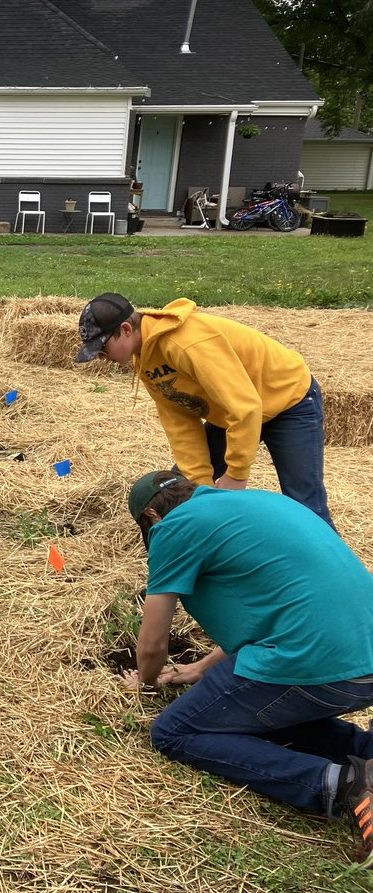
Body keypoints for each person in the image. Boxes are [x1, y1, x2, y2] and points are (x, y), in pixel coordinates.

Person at [121, 470, 373, 847]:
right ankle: (365, 753)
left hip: (318, 666)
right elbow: (276, 608)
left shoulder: (173, 527)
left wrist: (145, 683)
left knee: (174, 731)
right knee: (254, 710)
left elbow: (153, 644)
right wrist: (203, 668)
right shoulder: (263, 501)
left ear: (151, 519)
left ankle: (343, 786)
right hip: (358, 661)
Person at [75, 293, 333, 529]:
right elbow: (180, 424)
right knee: (182, 489)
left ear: (126, 329)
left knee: (304, 505)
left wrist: (235, 475)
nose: (100, 357)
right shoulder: (145, 360)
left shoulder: (185, 343)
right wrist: (201, 487)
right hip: (232, 413)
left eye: (102, 348)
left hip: (288, 401)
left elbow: (246, 406)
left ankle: (333, 574)